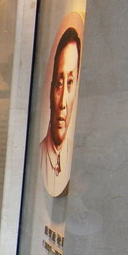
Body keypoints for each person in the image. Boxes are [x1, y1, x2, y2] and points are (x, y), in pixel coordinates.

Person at [40, 27, 81, 197]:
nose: (63, 103)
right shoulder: (40, 154)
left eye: (70, 82)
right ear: (50, 90)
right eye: (59, 84)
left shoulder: (76, 156)